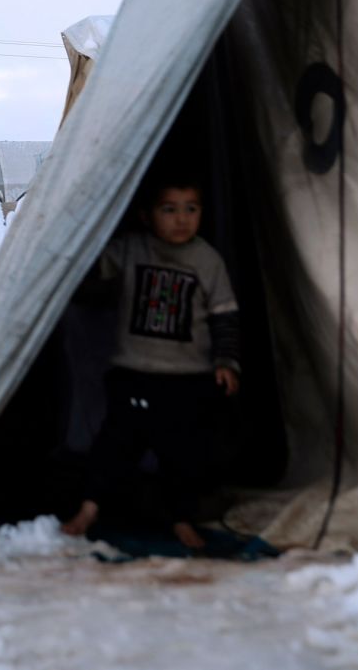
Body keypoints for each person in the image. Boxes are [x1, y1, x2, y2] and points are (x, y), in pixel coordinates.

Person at [62, 179, 241, 549]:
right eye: (169, 209)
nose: (181, 219)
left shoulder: (207, 260)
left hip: (187, 378)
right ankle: (89, 509)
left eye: (191, 208)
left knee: (183, 454)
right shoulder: (131, 249)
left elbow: (224, 315)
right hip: (133, 372)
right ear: (147, 215)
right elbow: (88, 274)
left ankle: (181, 519)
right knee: (114, 445)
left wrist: (226, 361)